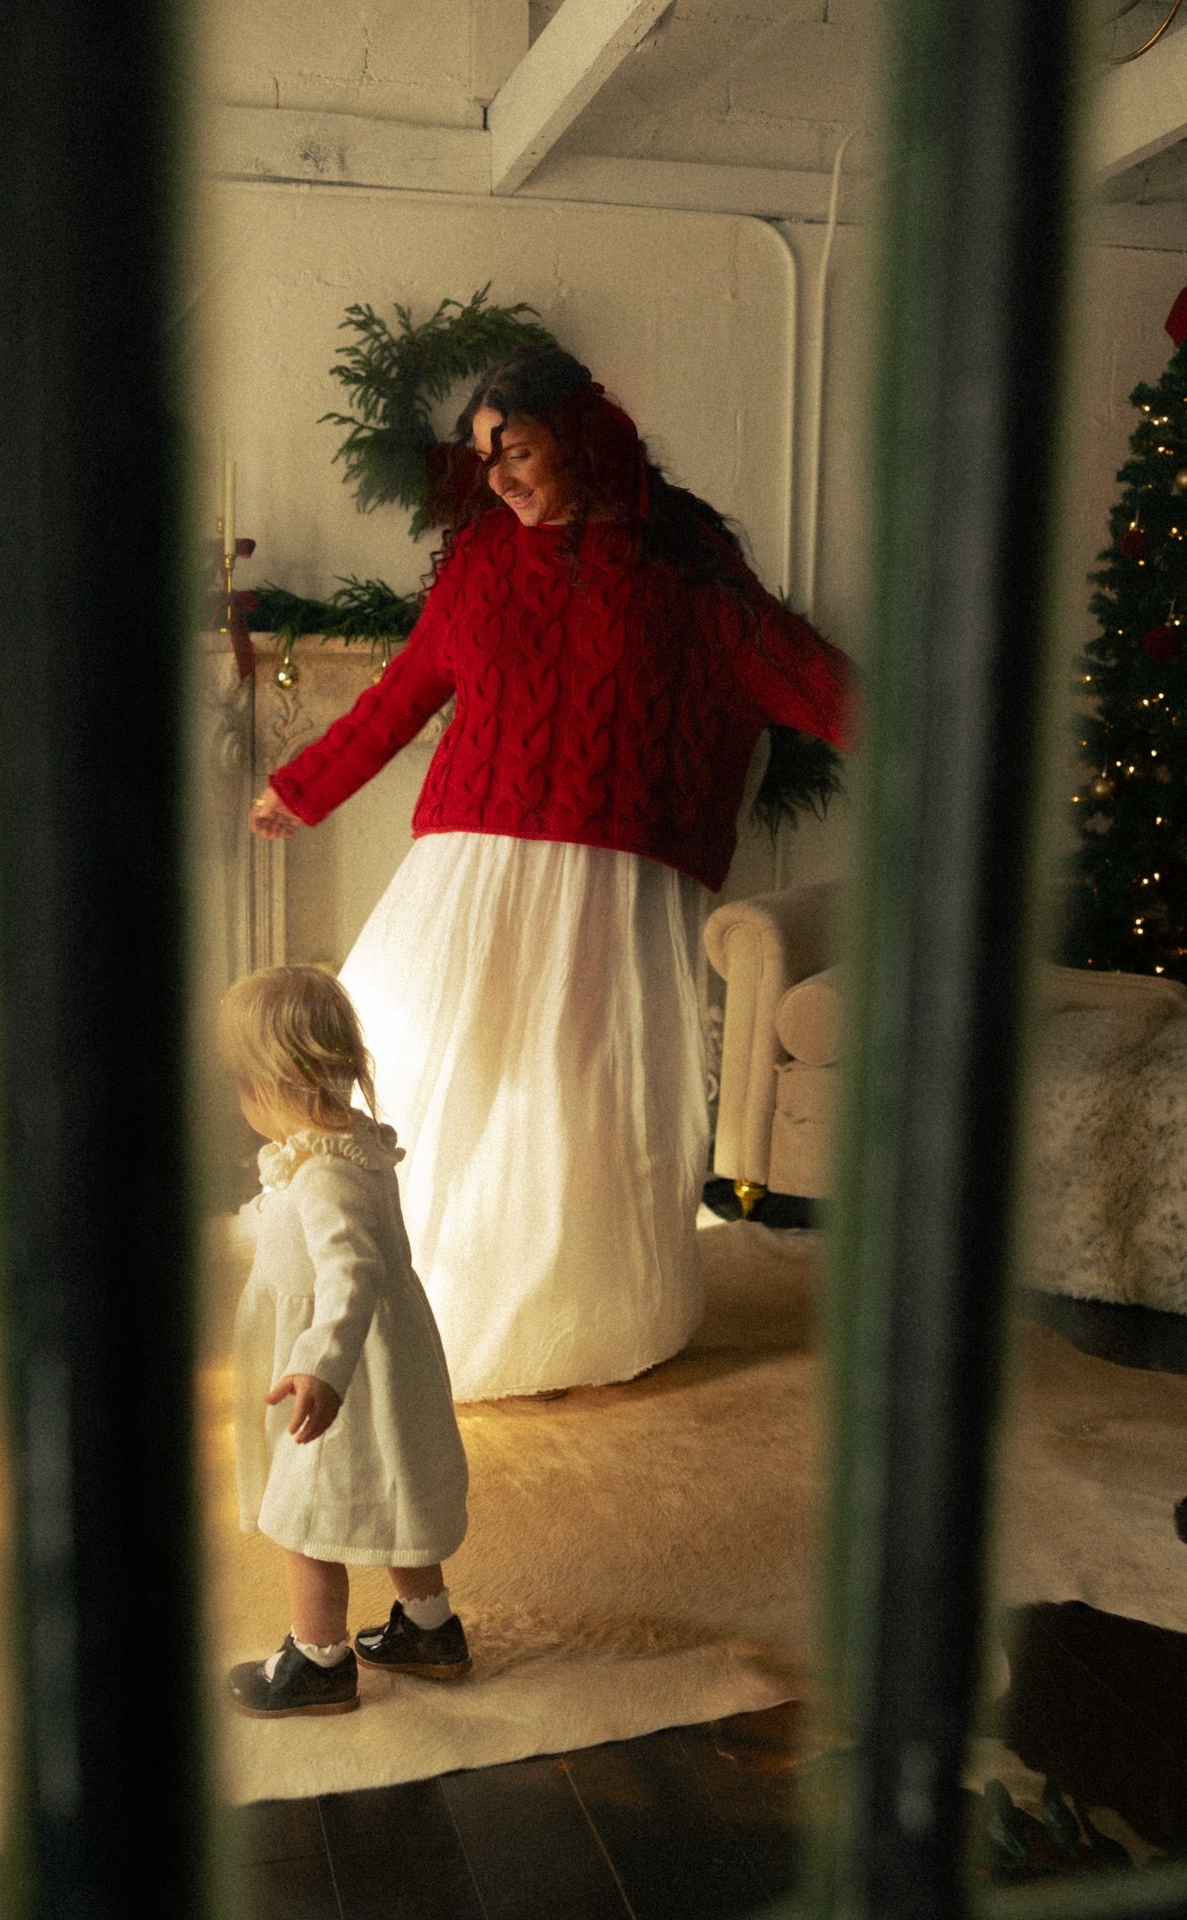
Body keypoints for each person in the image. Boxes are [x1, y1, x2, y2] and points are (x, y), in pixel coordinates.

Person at [249, 345, 853, 1402]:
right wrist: (302, 788)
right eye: (484, 459)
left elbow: (804, 673)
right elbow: (402, 694)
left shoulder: (682, 564)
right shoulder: (484, 558)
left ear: (581, 439)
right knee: (425, 1069)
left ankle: (569, 1321)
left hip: (611, 889)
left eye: (517, 451)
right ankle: (380, 1299)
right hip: (464, 871)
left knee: (577, 1104)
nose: (499, 479)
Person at [222, 964, 472, 1718]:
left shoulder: (324, 1175)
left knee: (307, 1519)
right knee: (394, 1496)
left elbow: (352, 1273)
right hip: (383, 1364)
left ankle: (318, 1663)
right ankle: (429, 1629)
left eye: (242, 1083)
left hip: (342, 1382)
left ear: (272, 1083)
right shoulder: (353, 1146)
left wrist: (320, 1368)